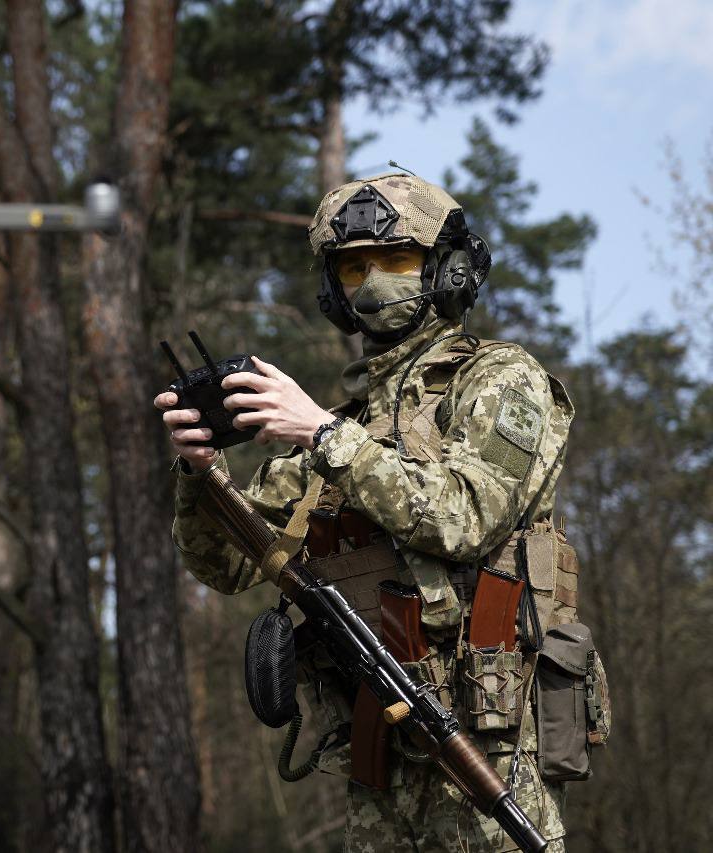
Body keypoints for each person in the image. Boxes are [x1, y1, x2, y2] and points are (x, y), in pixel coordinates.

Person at [156, 173, 593, 852]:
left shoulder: (501, 379)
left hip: (487, 745)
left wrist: (327, 439)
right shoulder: (337, 425)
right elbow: (225, 565)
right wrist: (200, 473)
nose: (372, 282)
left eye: (394, 260)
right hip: (378, 753)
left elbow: (467, 515)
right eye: (353, 266)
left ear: (446, 267)